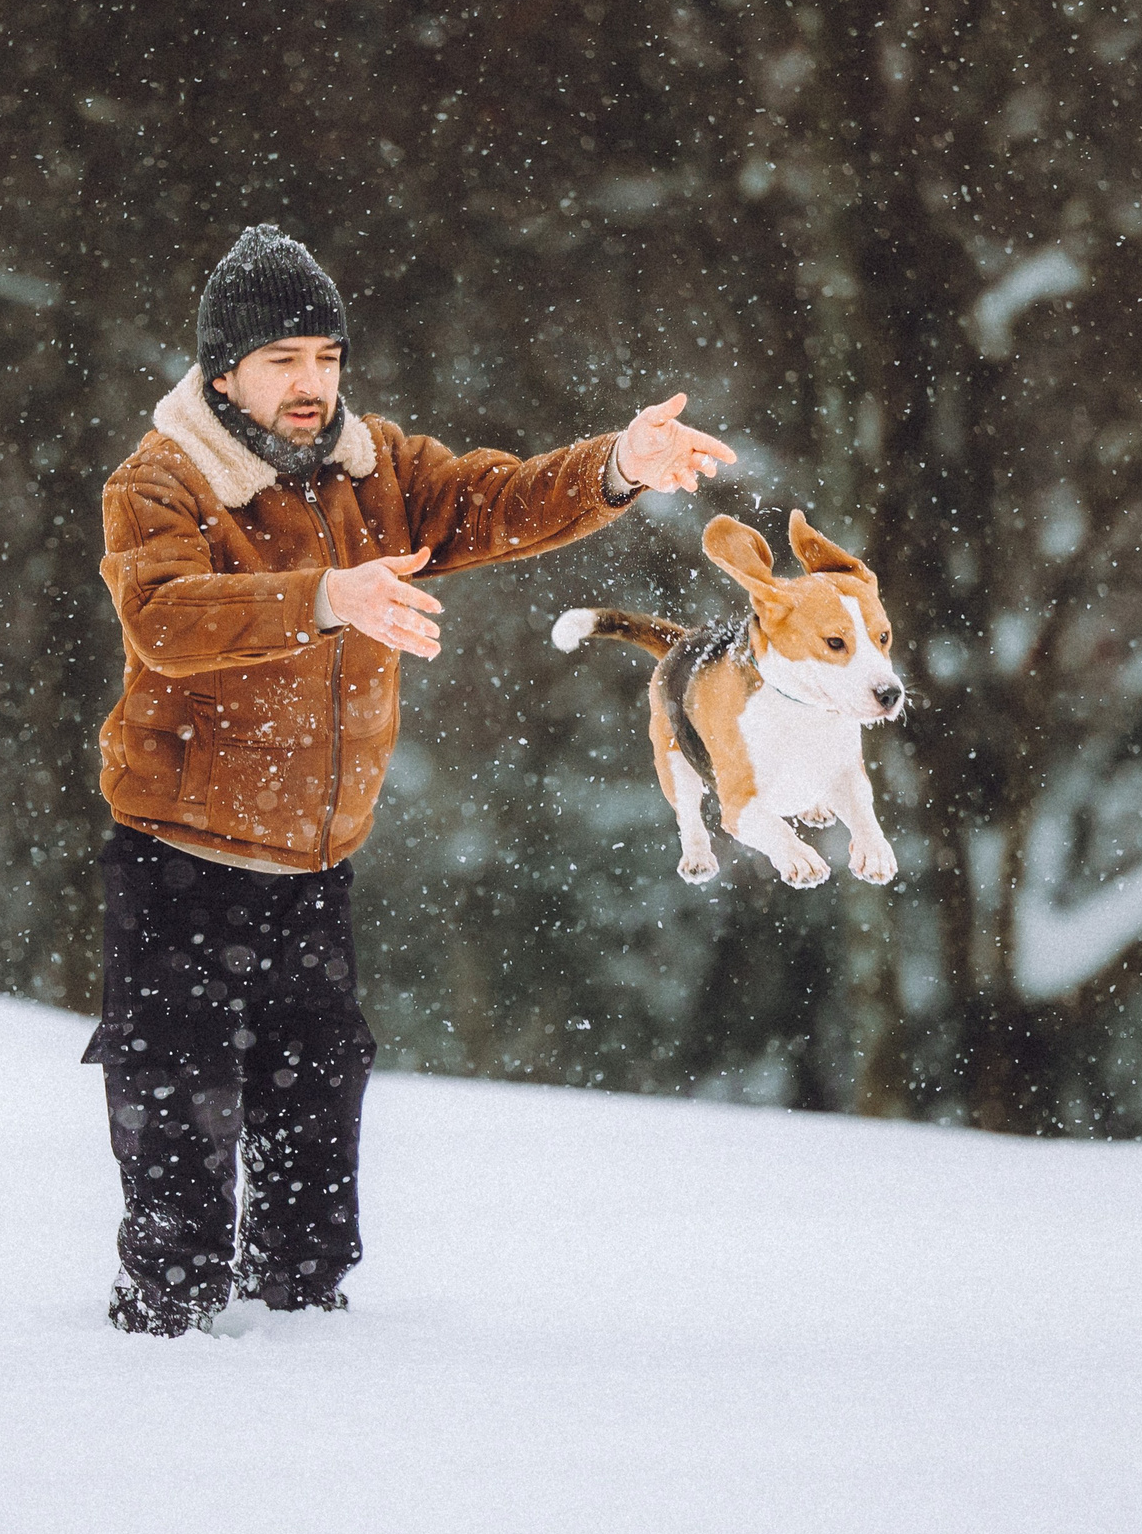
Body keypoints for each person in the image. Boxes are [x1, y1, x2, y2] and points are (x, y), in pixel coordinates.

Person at [86, 224, 736, 1335]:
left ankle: (300, 1317)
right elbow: (163, 619)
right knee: (179, 1108)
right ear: (222, 369)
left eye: (327, 359)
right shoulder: (162, 481)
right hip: (179, 859)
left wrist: (617, 467)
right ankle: (165, 1333)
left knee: (317, 1101)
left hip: (314, 865)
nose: (311, 385)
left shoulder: (373, 466)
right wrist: (323, 599)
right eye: (283, 360)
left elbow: (496, 501)